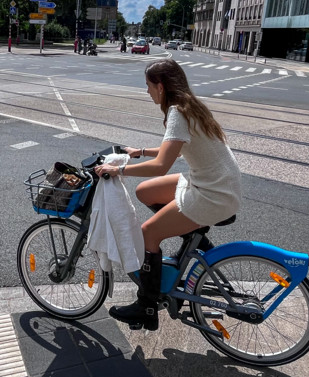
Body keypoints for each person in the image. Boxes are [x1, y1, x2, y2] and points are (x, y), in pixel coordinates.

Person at [94, 58, 241, 331]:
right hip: (216, 183)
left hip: (213, 192)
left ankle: (147, 307)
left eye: (148, 86)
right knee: (145, 192)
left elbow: (162, 166)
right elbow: (169, 149)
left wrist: (119, 170)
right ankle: (193, 242)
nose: (147, 91)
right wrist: (140, 152)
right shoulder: (189, 105)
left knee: (148, 233)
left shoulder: (177, 112)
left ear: (160, 86)